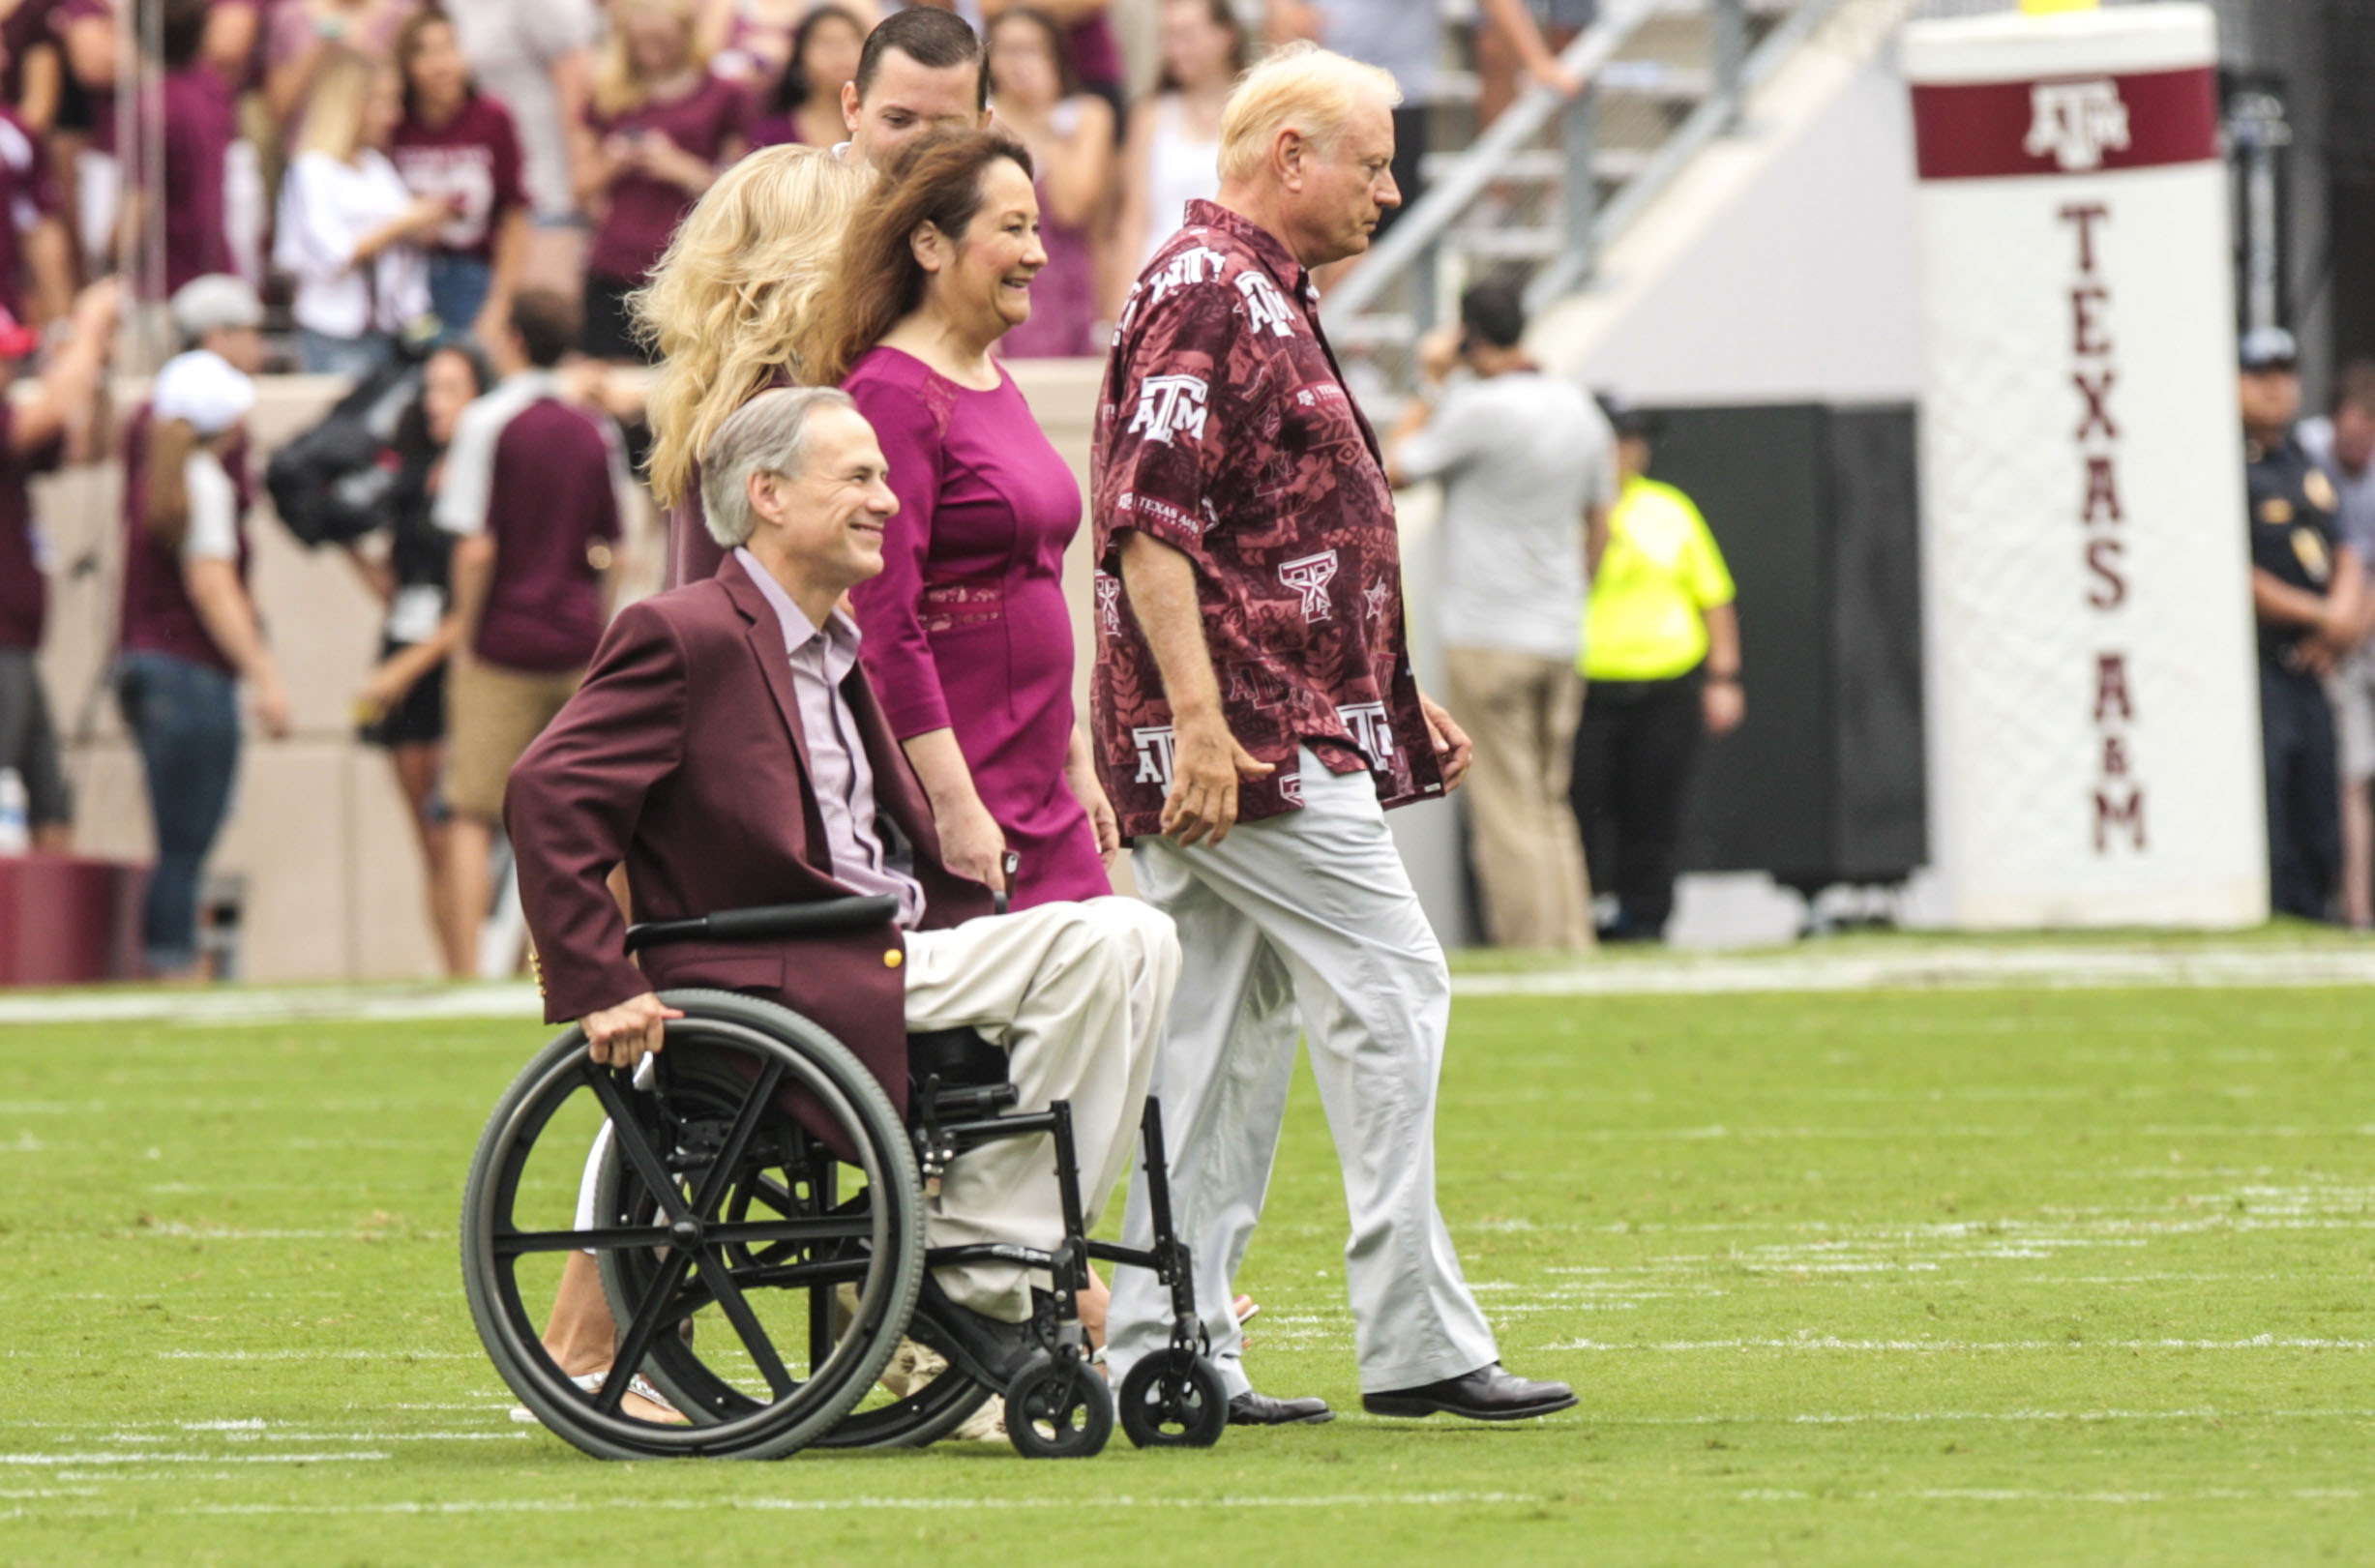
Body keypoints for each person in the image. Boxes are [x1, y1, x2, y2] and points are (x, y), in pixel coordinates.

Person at [507, 384, 1177, 1392]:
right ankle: (973, 1257)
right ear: (767, 494)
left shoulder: (835, 645)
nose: (888, 501)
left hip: (872, 948)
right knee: (1116, 938)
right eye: (858, 477)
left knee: (1137, 944)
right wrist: (602, 978)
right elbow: (547, 789)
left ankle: (980, 1246)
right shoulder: (683, 632)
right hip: (781, 975)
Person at [1093, 43, 1576, 1427]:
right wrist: (1197, 721)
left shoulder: (1247, 288)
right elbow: (1149, 525)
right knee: (1393, 987)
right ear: (1287, 155)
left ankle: (1161, 1343)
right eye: (1369, 161)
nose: (1388, 186)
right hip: (1245, 741)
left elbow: (1270, 531)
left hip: (1261, 718)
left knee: (1216, 1039)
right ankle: (1413, 1336)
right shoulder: (1209, 290)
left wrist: (1380, 677)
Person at [809, 129, 1116, 910]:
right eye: (1011, 229)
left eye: (1038, 227)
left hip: (1039, 773)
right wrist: (951, 805)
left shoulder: (991, 378)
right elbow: (884, 623)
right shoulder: (892, 394)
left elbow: (1030, 583)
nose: (1037, 253)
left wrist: (1076, 762)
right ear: (929, 245)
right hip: (969, 784)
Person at [658, 6, 991, 591]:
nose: (922, 149)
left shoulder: (970, 239)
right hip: (788, 555)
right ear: (852, 108)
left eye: (947, 128)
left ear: (983, 127)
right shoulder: (787, 196)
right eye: (900, 119)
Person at [1385, 281, 1612, 951]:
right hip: (1559, 630)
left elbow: (1394, 466)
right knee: (1547, 802)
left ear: (1468, 337)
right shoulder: (1579, 408)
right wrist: (1575, 593)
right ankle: (1572, 941)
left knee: (1505, 811)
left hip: (1489, 631)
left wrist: (1429, 384)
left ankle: (1531, 947)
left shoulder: (1478, 409)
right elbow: (1600, 521)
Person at [434, 287, 627, 966]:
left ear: (512, 338)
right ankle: (576, 961)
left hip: (501, 644)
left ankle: (463, 972)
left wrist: (464, 634)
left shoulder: (489, 422)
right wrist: (598, 622)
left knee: (471, 809)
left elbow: (475, 544)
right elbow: (614, 545)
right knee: (581, 816)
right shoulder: (590, 426)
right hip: (576, 644)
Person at [115, 344, 291, 978]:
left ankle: (168, 957)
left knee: (173, 836)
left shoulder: (156, 477)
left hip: (143, 664)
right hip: (189, 670)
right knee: (188, 837)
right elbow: (214, 586)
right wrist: (266, 675)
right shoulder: (205, 482)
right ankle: (174, 961)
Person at [1570, 400, 1740, 943]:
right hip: (1588, 682)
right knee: (1581, 808)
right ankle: (1580, 916)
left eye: (1635, 441)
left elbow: (1714, 595)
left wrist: (1724, 676)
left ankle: (1646, 919)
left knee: (1655, 806)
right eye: (1618, 441)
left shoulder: (1670, 509)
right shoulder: (1572, 508)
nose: (1629, 452)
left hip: (1665, 680)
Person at [350, 340, 494, 976]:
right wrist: (342, 542)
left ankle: (480, 966)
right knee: (428, 842)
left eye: (450, 388)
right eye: (430, 388)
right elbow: (404, 583)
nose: (434, 402)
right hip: (404, 649)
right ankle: (453, 969)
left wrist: (403, 669)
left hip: (452, 664)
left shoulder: (488, 472)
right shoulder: (415, 471)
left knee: (457, 826)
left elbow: (472, 598)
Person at [2242, 327, 2360, 922]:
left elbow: (2344, 549)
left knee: (2320, 810)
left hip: (2315, 662)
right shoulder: (2226, 466)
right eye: (2260, 376)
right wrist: (2321, 614)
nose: (2276, 389)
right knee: (2275, 801)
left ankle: (2318, 911)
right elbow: (2234, 570)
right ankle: (2279, 915)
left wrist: (2342, 619)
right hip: (2260, 665)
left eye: (2285, 376)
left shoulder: (2305, 463)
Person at [0, 279, 116, 855]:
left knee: (50, 800)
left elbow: (85, 444)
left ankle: (42, 939)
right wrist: (88, 327)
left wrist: (97, 368)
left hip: (19, 649)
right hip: (2, 650)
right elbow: (47, 411)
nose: (10, 373)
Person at [575, 0, 748, 366]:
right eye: (641, 41)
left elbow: (742, 189)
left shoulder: (724, 95)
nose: (650, 50)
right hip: (615, 264)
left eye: (660, 39)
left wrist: (680, 167)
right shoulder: (610, 94)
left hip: (688, 263)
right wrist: (615, 160)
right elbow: (581, 186)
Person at [275, 47, 442, 375]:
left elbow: (406, 240)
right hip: (336, 335)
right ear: (348, 105)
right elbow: (331, 256)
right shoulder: (312, 169)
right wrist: (405, 222)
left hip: (392, 331)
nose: (392, 115)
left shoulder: (377, 167)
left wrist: (429, 222)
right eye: (380, 102)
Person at [389, 5, 530, 342]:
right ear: (406, 67)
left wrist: (500, 304)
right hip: (405, 276)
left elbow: (516, 212)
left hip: (473, 274)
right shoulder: (393, 123)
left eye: (449, 48)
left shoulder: (491, 117)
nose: (442, 65)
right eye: (425, 53)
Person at [440, 0, 602, 294]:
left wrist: (582, 168)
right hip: (484, 194)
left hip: (544, 188)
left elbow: (576, 76)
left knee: (539, 319)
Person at [983, 7, 1109, 360]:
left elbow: (1072, 209)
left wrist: (1041, 119)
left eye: (1031, 50)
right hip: (996, 276)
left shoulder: (1086, 115)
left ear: (1055, 55)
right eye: (1007, 50)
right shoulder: (979, 120)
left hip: (1067, 280)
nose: (1019, 63)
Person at [2300, 362, 2375, 928]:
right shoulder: (2305, 451)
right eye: (2356, 425)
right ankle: (2353, 907)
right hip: (2315, 621)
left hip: (2354, 625)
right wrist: (2333, 626)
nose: (2361, 440)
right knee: (2345, 773)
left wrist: (2346, 629)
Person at [1110, 0, 1239, 311]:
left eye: (1187, 36)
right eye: (1168, 37)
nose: (1174, 50)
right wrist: (1120, 309)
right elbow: (1134, 219)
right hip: (1161, 291)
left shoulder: (1254, 115)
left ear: (1225, 35)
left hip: (1234, 286)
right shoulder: (1150, 116)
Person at [745, 2, 865, 150]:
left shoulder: (874, 126)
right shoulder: (773, 134)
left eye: (851, 41)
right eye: (828, 43)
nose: (841, 53)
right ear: (801, 56)